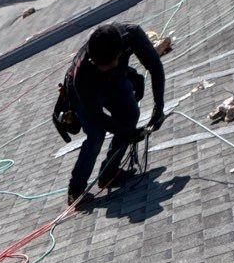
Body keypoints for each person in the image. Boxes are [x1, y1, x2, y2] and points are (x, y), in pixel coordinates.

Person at [66, 22, 166, 206]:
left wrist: (158, 107)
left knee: (130, 115)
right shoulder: (83, 71)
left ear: (119, 52)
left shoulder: (132, 35)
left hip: (115, 79)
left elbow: (155, 67)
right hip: (84, 92)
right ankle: (76, 190)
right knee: (96, 134)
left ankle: (109, 173)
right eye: (100, 64)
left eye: (107, 63)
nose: (103, 66)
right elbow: (97, 116)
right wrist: (127, 133)